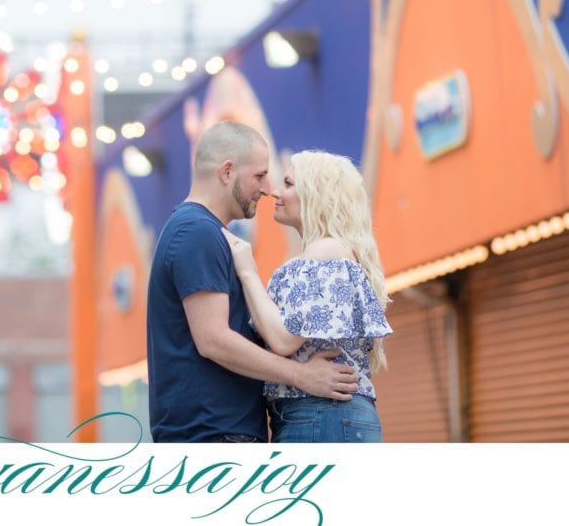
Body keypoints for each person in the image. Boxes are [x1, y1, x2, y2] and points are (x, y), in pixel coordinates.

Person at [146, 121, 360, 443]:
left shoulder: (203, 231)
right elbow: (214, 339)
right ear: (227, 172)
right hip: (213, 434)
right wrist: (301, 376)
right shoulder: (197, 232)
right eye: (259, 175)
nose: (267, 188)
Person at [221, 150, 393, 443]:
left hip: (321, 413)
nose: (275, 191)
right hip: (323, 414)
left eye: (288, 183)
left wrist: (247, 271)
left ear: (317, 194)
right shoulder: (326, 253)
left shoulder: (327, 251)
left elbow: (284, 340)